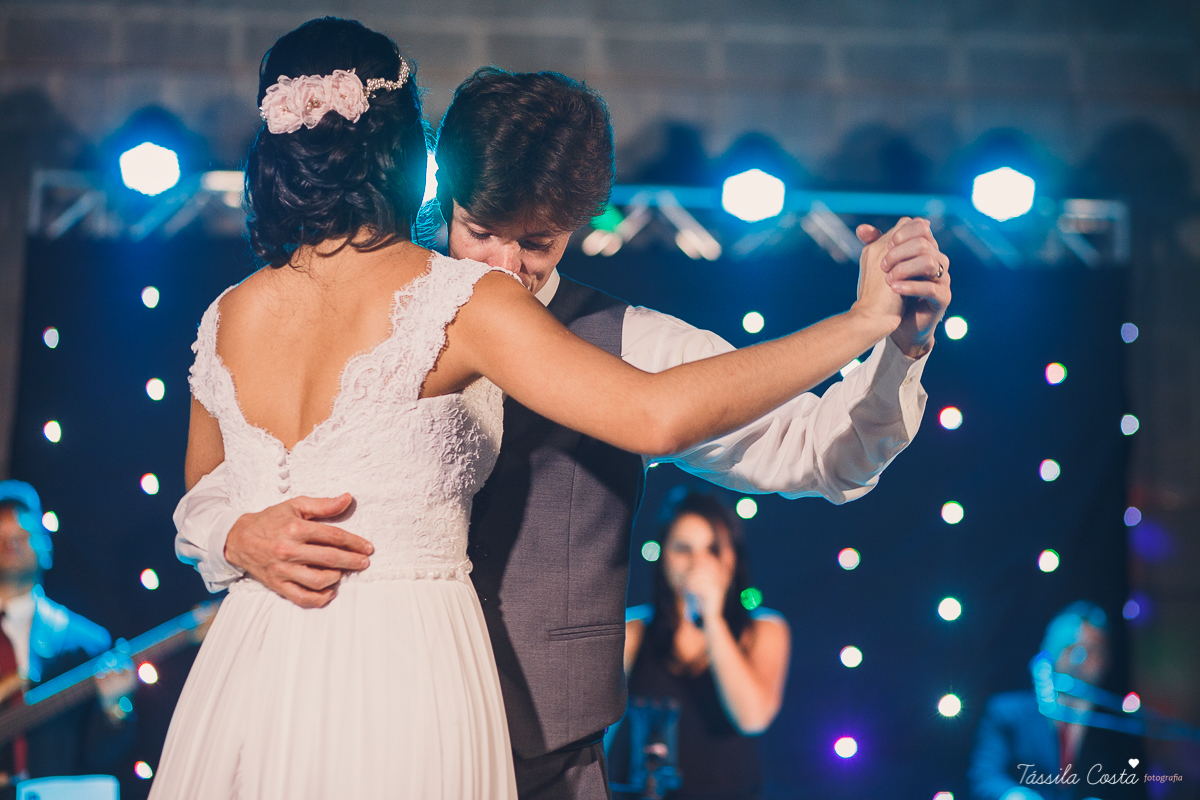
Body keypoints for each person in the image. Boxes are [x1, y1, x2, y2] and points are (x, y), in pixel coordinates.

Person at [173, 59, 952, 798]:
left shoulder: (636, 343)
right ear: (442, 200)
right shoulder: (366, 311)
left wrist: (898, 348)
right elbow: (228, 473)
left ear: (580, 226)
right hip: (355, 725)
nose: (505, 267)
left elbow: (825, 455)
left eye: (537, 243)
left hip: (549, 758)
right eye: (481, 231)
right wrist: (231, 534)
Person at [611, 491, 789, 799]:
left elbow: (753, 718)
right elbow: (598, 734)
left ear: (732, 556)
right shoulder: (633, 631)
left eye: (712, 549)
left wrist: (713, 620)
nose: (699, 563)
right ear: (663, 554)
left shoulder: (765, 629)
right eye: (683, 549)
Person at [0, 481, 135, 788]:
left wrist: (115, 707)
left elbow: (101, 757)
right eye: (1, 537)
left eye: (21, 536)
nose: (10, 544)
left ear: (46, 546)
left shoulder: (87, 643)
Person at [968, 602, 1146, 800]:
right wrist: (1016, 796)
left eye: (1092, 650)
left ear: (1106, 661)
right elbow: (984, 778)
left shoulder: (1119, 727)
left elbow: (1132, 789)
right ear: (1049, 651)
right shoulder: (1006, 713)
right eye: (1070, 648)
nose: (1080, 660)